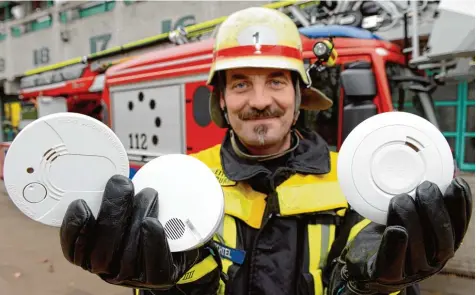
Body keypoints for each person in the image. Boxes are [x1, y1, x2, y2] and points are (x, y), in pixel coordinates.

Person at [59, 7, 472, 295]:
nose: (259, 101)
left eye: (276, 81)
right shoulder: (183, 181)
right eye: (240, 84)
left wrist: (376, 288)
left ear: (300, 94)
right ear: (219, 100)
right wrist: (162, 288)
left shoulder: (353, 185)